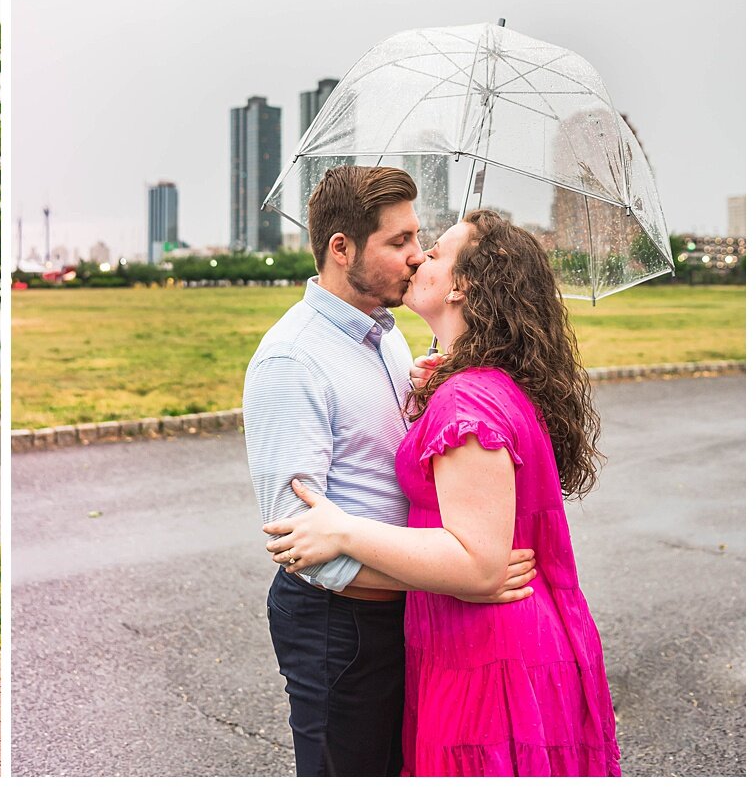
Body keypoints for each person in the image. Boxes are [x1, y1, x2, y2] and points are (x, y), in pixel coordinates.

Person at [263, 209, 621, 776]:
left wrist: (342, 529)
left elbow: (477, 565)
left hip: (490, 654)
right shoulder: (470, 385)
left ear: (462, 285)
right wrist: (435, 388)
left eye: (433, 251)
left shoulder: (466, 402)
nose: (417, 258)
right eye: (406, 242)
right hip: (485, 637)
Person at [243, 165, 536, 777]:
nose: (416, 255)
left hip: (409, 615)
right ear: (341, 248)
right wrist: (458, 577)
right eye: (397, 241)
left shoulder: (389, 338)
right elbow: (300, 540)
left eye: (418, 237)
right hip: (341, 630)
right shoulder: (290, 360)